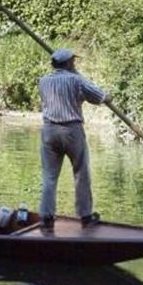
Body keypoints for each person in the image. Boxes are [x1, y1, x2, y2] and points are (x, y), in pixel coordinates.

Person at [38, 48, 110, 230]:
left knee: (49, 176)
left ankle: (46, 217)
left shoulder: (43, 81)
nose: (75, 63)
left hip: (49, 131)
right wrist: (107, 96)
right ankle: (85, 216)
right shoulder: (76, 80)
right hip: (71, 130)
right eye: (73, 61)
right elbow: (99, 97)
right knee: (81, 173)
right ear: (69, 63)